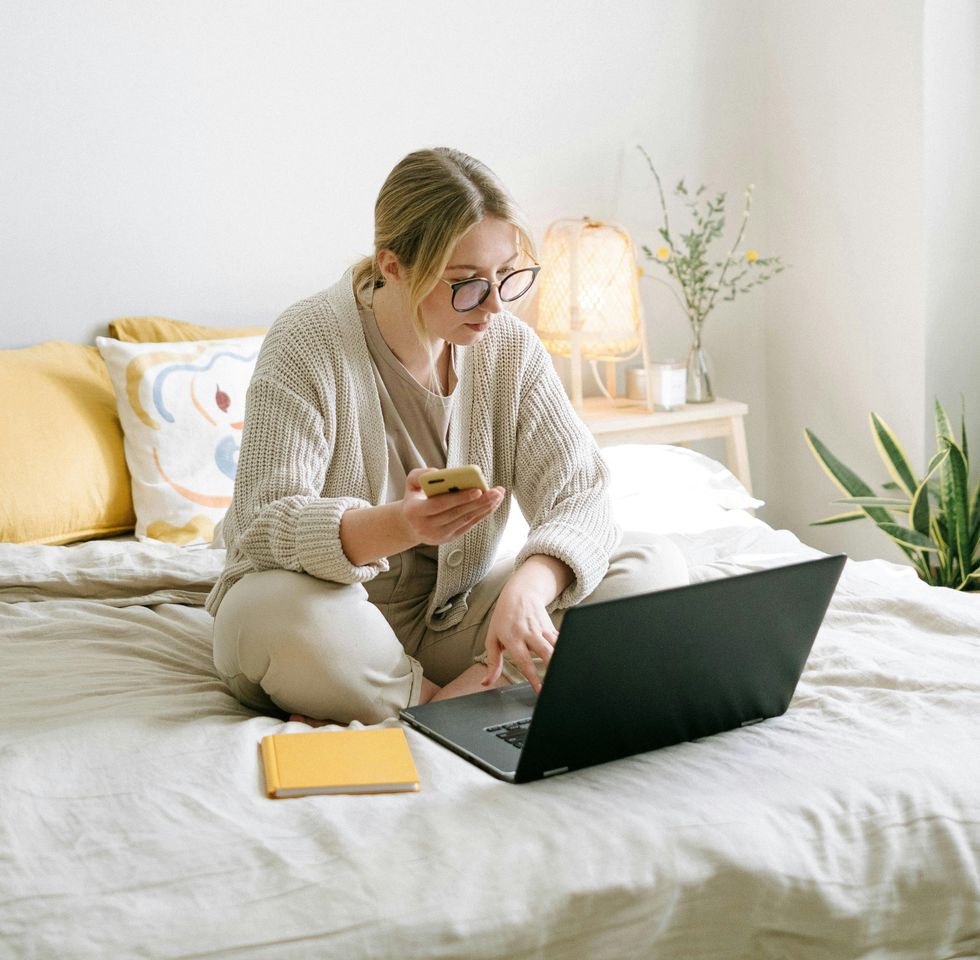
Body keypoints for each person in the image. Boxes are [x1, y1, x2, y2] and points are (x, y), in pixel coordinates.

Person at [208, 147, 689, 726]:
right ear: (393, 266)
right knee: (267, 612)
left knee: (649, 562)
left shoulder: (508, 347)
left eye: (507, 276)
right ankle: (472, 700)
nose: (493, 305)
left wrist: (531, 588)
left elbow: (580, 493)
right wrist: (400, 525)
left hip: (449, 623)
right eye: (465, 283)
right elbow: (263, 524)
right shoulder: (305, 342)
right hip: (330, 623)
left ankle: (444, 705)